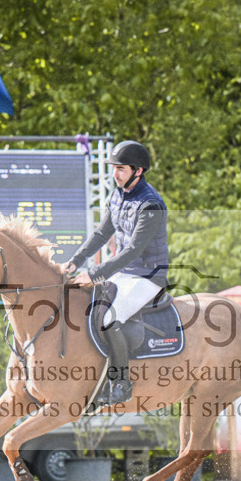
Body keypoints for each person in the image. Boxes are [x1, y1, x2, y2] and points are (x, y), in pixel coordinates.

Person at [61, 140, 169, 404]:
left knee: (108, 318)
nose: (115, 174)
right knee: (85, 307)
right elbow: (101, 234)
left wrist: (95, 272)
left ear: (138, 171)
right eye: (114, 168)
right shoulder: (117, 195)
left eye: (120, 169)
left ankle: (121, 382)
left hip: (147, 276)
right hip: (122, 272)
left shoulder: (151, 204)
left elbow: (133, 250)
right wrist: (76, 260)